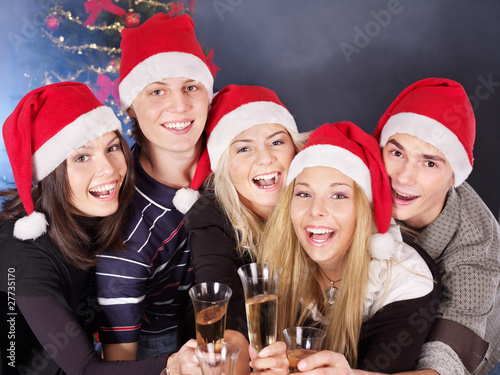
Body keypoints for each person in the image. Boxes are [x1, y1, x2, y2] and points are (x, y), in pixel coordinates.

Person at [0, 82, 199, 375]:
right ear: (49, 174)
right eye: (82, 157)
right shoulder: (22, 256)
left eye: (112, 147)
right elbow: (84, 369)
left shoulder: (109, 220)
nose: (108, 168)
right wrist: (171, 364)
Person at [258, 121, 442, 373]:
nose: (316, 211)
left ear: (366, 209)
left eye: (339, 195)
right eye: (303, 194)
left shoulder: (407, 279)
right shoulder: (273, 260)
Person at [95, 13, 215, 361]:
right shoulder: (126, 228)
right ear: (131, 106)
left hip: (233, 318)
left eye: (190, 86)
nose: (179, 105)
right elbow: (120, 362)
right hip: (158, 345)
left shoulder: (236, 160)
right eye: (157, 91)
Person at [373, 77, 500, 375]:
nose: (403, 177)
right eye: (397, 153)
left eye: (429, 163)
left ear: (454, 176)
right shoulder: (358, 177)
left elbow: (443, 366)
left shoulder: (477, 249)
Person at [184, 84, 307, 374]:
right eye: (244, 148)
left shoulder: (316, 203)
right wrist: (226, 358)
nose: (265, 159)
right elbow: (222, 304)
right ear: (224, 166)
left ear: (295, 149)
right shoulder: (209, 215)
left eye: (277, 142)